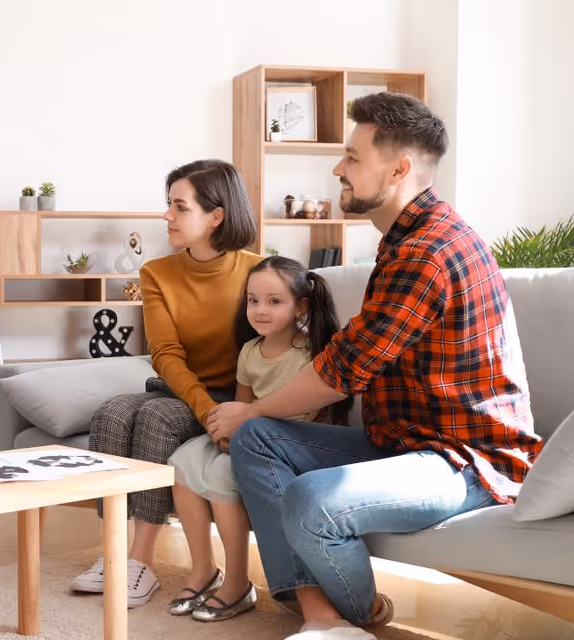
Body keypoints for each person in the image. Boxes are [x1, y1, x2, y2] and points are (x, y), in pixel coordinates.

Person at [206, 93, 543, 640]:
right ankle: (319, 614)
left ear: (399, 168)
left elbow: (341, 371)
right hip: (404, 442)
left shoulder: (428, 252)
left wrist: (247, 409)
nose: (338, 168)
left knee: (311, 499)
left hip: (464, 460)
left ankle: (358, 616)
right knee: (258, 439)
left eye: (353, 157)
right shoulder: (402, 240)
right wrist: (252, 418)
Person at [70, 159, 263, 607]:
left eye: (180, 206)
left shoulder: (260, 270)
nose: (167, 216)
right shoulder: (157, 273)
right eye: (168, 205)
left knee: (155, 417)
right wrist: (204, 411)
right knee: (112, 413)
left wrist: (226, 412)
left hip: (234, 396)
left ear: (216, 216)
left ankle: (140, 562)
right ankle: (115, 552)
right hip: (186, 391)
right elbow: (166, 355)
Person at [166, 256, 350, 622]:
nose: (260, 310)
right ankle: (203, 568)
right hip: (249, 435)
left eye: (274, 301)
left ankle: (237, 582)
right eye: (253, 300)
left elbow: (314, 417)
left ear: (302, 305)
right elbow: (242, 406)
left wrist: (244, 433)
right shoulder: (250, 352)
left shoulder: (311, 354)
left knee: (221, 476)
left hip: (288, 444)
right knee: (181, 464)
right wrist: (223, 432)